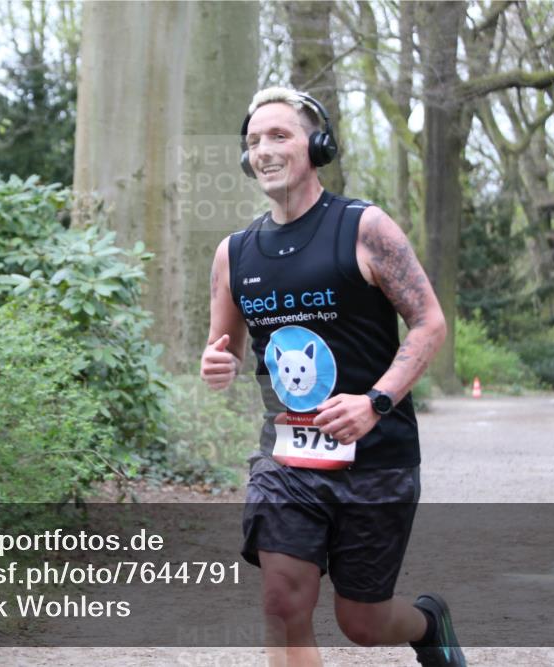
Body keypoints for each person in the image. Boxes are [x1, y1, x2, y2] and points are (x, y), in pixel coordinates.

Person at [199, 86, 465, 667]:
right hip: (287, 461)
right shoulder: (234, 254)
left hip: (376, 456)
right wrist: (218, 363)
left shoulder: (364, 228)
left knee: (363, 622)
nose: (263, 151)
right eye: (253, 142)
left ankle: (426, 624)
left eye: (279, 135)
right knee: (281, 600)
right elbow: (227, 350)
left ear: (316, 147)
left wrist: (375, 401)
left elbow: (429, 323)